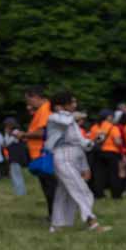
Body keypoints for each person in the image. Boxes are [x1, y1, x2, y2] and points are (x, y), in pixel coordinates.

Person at [44, 91, 110, 233]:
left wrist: (95, 142)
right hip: (62, 157)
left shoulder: (71, 121)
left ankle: (56, 226)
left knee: (64, 193)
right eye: (72, 102)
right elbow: (66, 120)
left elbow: (80, 142)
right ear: (59, 106)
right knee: (82, 190)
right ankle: (92, 223)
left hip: (73, 157)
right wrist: (75, 115)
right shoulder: (54, 117)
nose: (75, 105)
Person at [24, 86, 56, 219]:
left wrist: (24, 134)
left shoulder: (45, 109)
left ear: (35, 97)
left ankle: (55, 216)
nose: (28, 104)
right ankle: (52, 215)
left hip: (43, 154)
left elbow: (43, 132)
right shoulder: (42, 110)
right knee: (47, 187)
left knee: (50, 187)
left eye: (29, 100)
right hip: (39, 154)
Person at [92, 109, 124, 199]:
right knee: (113, 174)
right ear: (108, 117)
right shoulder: (113, 127)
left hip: (98, 153)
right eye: (112, 116)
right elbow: (118, 142)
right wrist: (121, 142)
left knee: (99, 174)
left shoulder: (95, 127)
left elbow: (91, 141)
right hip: (111, 153)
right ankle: (116, 195)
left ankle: (98, 194)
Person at [3, 117, 29, 196]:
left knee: (16, 175)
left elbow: (7, 143)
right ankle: (20, 192)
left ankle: (20, 193)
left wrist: (7, 133)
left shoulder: (15, 132)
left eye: (7, 125)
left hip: (15, 157)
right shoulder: (14, 132)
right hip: (14, 157)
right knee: (16, 174)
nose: (6, 126)